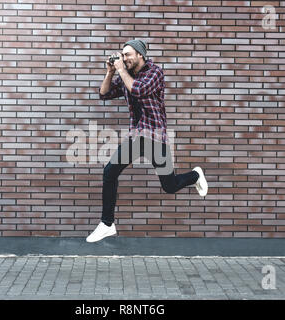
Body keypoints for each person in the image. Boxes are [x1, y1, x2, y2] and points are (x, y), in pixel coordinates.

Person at [86, 39, 208, 243]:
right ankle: (107, 224)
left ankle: (195, 175)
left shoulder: (155, 72)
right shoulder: (127, 75)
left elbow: (139, 90)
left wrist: (121, 71)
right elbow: (103, 94)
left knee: (169, 185)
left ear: (140, 55)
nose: (124, 59)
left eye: (127, 55)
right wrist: (110, 72)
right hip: (138, 135)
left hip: (155, 135)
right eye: (122, 55)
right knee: (110, 171)